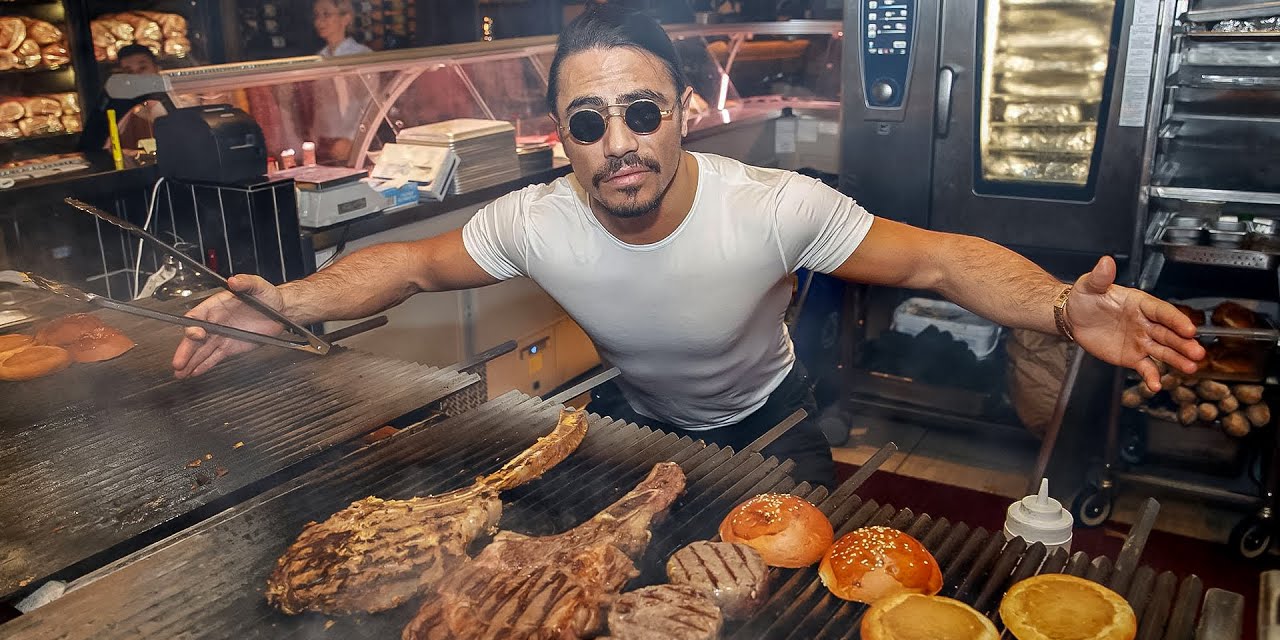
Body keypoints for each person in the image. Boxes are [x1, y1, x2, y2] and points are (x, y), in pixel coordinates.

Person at [172, 6, 1204, 488]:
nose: (617, 145)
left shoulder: (772, 206)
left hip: (771, 423)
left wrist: (1061, 307)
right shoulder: (535, 219)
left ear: (679, 114)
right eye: (588, 123)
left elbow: (936, 259)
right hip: (635, 423)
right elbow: (403, 265)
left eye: (640, 112)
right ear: (561, 139)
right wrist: (281, 302)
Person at [311, 0, 372, 164]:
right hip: (324, 141)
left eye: (326, 14)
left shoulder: (362, 55)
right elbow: (318, 105)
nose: (319, 22)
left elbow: (369, 102)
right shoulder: (318, 58)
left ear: (346, 18)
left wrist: (352, 138)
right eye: (317, 15)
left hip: (355, 140)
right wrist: (314, 138)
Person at [79, 44, 171, 153]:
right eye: (129, 72)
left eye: (142, 68)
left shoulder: (174, 96)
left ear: (157, 68)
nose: (137, 76)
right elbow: (92, 143)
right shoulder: (117, 103)